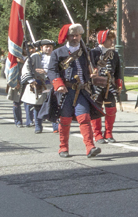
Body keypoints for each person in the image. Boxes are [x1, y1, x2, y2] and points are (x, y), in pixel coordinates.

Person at [43, 23, 103, 158]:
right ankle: (63, 147)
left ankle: (90, 147)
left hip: (82, 90)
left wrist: (93, 72)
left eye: (78, 35)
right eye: (73, 35)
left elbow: (93, 63)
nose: (75, 37)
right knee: (65, 120)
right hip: (66, 91)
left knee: (85, 117)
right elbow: (52, 71)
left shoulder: (85, 52)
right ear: (67, 36)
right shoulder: (57, 53)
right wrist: (58, 84)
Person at [89, 30, 125, 142]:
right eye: (109, 39)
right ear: (103, 40)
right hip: (96, 86)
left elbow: (118, 70)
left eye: (112, 39)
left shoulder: (114, 53)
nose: (111, 42)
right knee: (97, 110)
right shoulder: (93, 52)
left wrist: (119, 83)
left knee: (111, 109)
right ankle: (97, 134)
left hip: (110, 86)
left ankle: (108, 133)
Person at [21, 39, 54, 133]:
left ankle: (56, 127)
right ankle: (38, 126)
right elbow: (26, 68)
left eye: (50, 47)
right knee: (37, 106)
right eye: (46, 47)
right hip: (39, 84)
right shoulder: (34, 56)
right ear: (41, 47)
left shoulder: (55, 56)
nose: (48, 49)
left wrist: (46, 72)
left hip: (51, 84)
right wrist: (31, 81)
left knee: (53, 105)